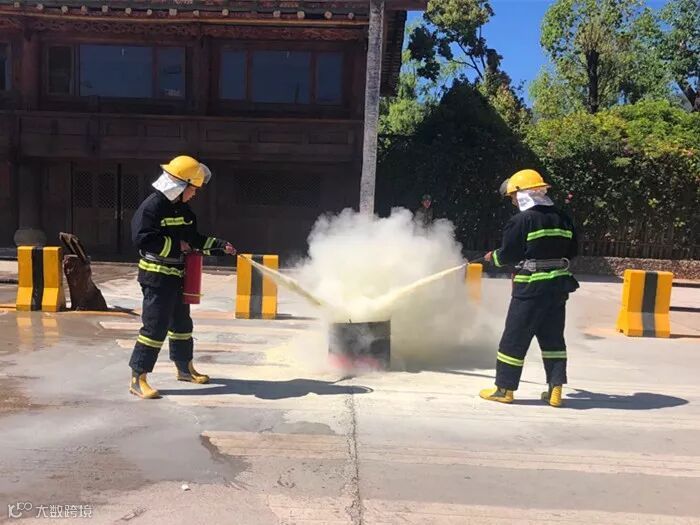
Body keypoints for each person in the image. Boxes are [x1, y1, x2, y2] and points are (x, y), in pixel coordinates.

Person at [128, 155, 236, 399]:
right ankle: (138, 378)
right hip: (157, 278)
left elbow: (193, 239)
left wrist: (220, 246)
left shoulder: (183, 210)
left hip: (178, 276)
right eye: (193, 188)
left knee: (182, 326)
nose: (195, 194)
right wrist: (177, 246)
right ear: (181, 185)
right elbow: (142, 239)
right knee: (155, 327)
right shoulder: (152, 207)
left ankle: (184, 369)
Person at [480, 169, 579, 407]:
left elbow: (509, 254)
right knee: (553, 339)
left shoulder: (522, 220)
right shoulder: (563, 218)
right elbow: (573, 250)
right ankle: (555, 389)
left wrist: (493, 257)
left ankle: (504, 389)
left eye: (513, 197)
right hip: (557, 287)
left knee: (514, 339)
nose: (513, 201)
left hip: (530, 289)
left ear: (523, 194)